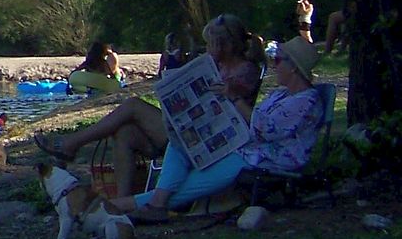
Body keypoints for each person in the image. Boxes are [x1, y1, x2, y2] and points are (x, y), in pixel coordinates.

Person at [36, 14, 266, 197]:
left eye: (212, 44)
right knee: (124, 133)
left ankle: (70, 144)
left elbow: (225, 104)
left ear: (226, 45)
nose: (208, 49)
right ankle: (121, 204)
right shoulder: (216, 65)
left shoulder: (243, 70)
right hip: (188, 128)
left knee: (133, 105)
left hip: (207, 136)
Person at [118, 36, 324, 220]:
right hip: (244, 145)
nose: (274, 65)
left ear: (293, 68)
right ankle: (148, 204)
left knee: (191, 186)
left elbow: (267, 130)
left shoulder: (306, 101)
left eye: (278, 60)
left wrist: (234, 98)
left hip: (263, 157)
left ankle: (126, 206)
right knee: (183, 139)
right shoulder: (281, 94)